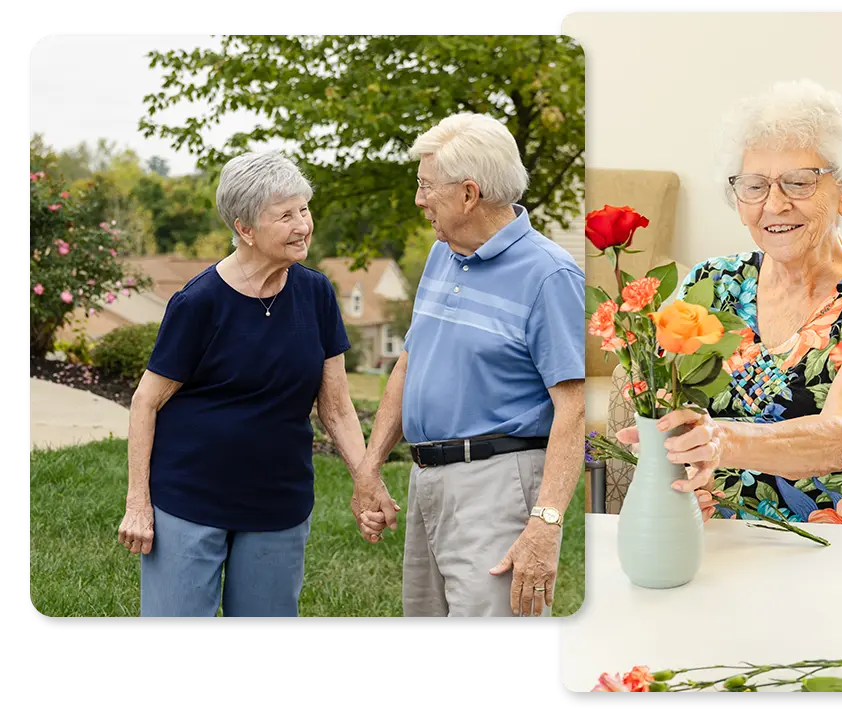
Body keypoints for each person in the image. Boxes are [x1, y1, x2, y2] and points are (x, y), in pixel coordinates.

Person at [617, 80, 842, 525]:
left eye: (799, 183)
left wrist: (722, 440)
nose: (774, 205)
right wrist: (678, 475)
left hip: (836, 542)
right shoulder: (712, 282)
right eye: (754, 186)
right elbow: (660, 405)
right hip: (718, 537)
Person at [116, 151, 398, 616]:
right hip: (191, 500)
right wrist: (138, 504)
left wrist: (366, 479)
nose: (303, 225)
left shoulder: (317, 294)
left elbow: (337, 407)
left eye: (304, 210)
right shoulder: (199, 302)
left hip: (278, 506)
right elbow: (146, 402)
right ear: (245, 228)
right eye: (285, 215)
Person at [356, 112, 585, 616]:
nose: (419, 200)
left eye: (425, 187)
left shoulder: (549, 275)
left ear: (468, 194)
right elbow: (409, 364)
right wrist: (370, 467)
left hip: (498, 486)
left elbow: (572, 408)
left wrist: (545, 524)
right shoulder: (444, 253)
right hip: (427, 481)